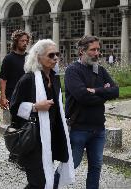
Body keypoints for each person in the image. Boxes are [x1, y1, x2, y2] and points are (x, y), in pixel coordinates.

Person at [10, 39, 74, 189]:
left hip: (50, 137)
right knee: (39, 182)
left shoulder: (54, 78)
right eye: (51, 55)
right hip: (33, 139)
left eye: (57, 54)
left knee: (42, 180)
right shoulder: (28, 79)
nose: (56, 58)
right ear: (39, 57)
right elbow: (14, 108)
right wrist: (35, 107)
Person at [64, 35, 119, 188]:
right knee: (70, 166)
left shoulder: (100, 70)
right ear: (82, 51)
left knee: (96, 167)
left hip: (98, 128)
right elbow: (82, 97)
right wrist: (103, 94)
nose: (97, 53)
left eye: (98, 49)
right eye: (93, 50)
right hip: (78, 128)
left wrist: (94, 91)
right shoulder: (72, 71)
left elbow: (115, 91)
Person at [0, 29, 30, 163]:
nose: (25, 43)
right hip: (14, 98)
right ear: (16, 41)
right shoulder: (9, 58)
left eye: (26, 41)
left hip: (28, 97)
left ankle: (21, 153)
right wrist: (3, 97)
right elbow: (3, 79)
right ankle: (14, 152)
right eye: (22, 41)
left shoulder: (29, 57)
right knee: (17, 124)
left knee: (27, 125)